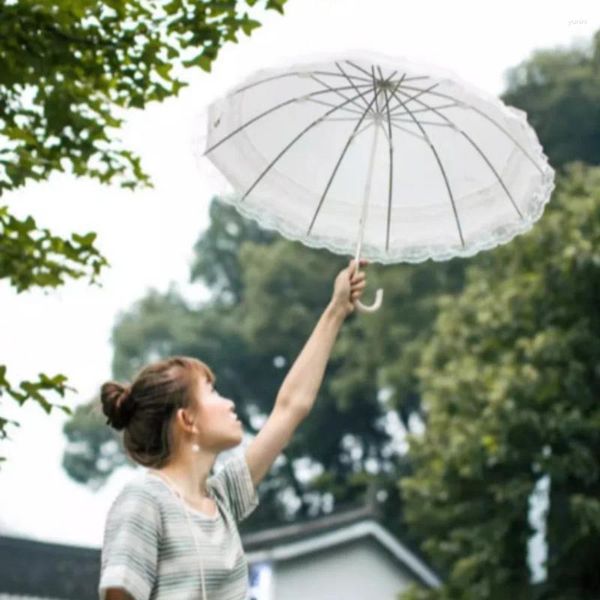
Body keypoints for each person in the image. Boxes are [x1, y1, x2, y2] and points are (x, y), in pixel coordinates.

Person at [98, 258, 369, 600]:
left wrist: (336, 310)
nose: (229, 404)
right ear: (187, 420)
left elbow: (290, 408)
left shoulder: (222, 499)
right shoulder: (144, 501)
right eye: (212, 392)